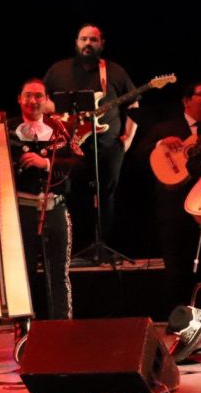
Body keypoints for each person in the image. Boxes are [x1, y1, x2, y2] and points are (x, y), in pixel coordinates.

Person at [0, 80, 80, 320]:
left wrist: (47, 163)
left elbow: (80, 164)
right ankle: (25, 328)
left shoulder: (62, 129)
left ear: (46, 99)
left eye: (38, 96)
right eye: (28, 96)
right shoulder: (6, 129)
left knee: (59, 273)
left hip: (55, 208)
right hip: (21, 211)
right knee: (22, 273)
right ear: (19, 99)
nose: (33, 101)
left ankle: (62, 326)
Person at [43, 24, 138, 251]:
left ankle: (104, 246)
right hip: (70, 145)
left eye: (93, 39)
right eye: (83, 39)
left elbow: (133, 103)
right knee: (71, 194)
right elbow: (42, 101)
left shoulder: (114, 71)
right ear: (76, 42)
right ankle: (75, 248)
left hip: (108, 145)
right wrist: (62, 114)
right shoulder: (59, 70)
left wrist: (128, 138)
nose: (88, 43)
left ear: (102, 44)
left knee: (107, 195)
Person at [154, 82, 201, 305]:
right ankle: (184, 318)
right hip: (181, 209)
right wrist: (161, 143)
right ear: (186, 101)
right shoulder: (170, 127)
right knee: (181, 271)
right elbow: (192, 163)